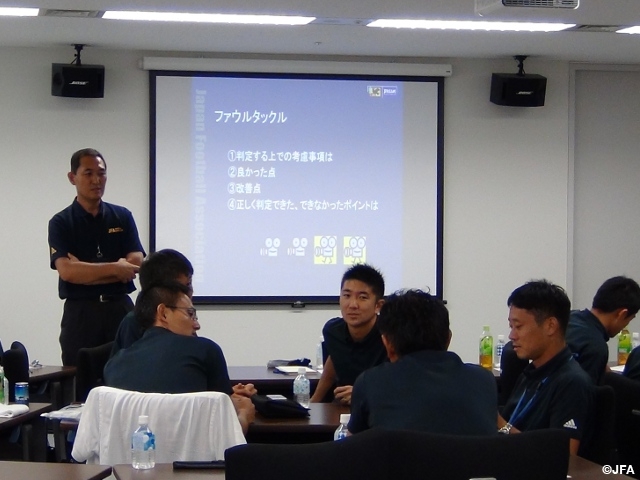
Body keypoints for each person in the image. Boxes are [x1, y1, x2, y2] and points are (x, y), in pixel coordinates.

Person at [104, 281, 255, 433]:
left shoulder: (114, 364)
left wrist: (224, 396)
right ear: (163, 313)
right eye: (190, 314)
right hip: (195, 456)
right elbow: (226, 435)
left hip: (137, 454)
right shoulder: (206, 350)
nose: (197, 325)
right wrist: (244, 414)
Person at [348, 289, 497, 435]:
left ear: (387, 343)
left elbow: (352, 448)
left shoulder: (371, 381)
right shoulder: (484, 380)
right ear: (448, 339)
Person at [48, 148, 145, 366]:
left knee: (128, 375)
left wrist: (87, 271)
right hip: (81, 313)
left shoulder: (122, 216)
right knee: (80, 379)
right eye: (88, 173)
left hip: (120, 309)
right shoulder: (61, 222)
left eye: (101, 173)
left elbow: (136, 263)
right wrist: (116, 268)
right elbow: (68, 272)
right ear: (72, 178)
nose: (96, 180)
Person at [498, 280, 594, 456]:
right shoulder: (532, 371)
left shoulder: (572, 383)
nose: (512, 336)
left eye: (518, 326)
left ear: (550, 326)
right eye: (511, 326)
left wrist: (500, 425)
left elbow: (563, 456)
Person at [310, 264, 387, 405]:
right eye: (346, 295)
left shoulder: (390, 334)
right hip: (342, 407)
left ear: (378, 305)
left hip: (379, 407)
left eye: (362, 297)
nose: (352, 304)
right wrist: (313, 402)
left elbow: (403, 381)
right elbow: (334, 359)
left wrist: (363, 393)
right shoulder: (332, 331)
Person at [110, 248, 194, 357]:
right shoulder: (135, 323)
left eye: (190, 283)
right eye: (186, 286)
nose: (190, 292)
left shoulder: (186, 316)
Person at [565, 276, 640, 384]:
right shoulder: (596, 347)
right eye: (629, 319)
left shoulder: (569, 318)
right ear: (621, 314)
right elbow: (585, 395)